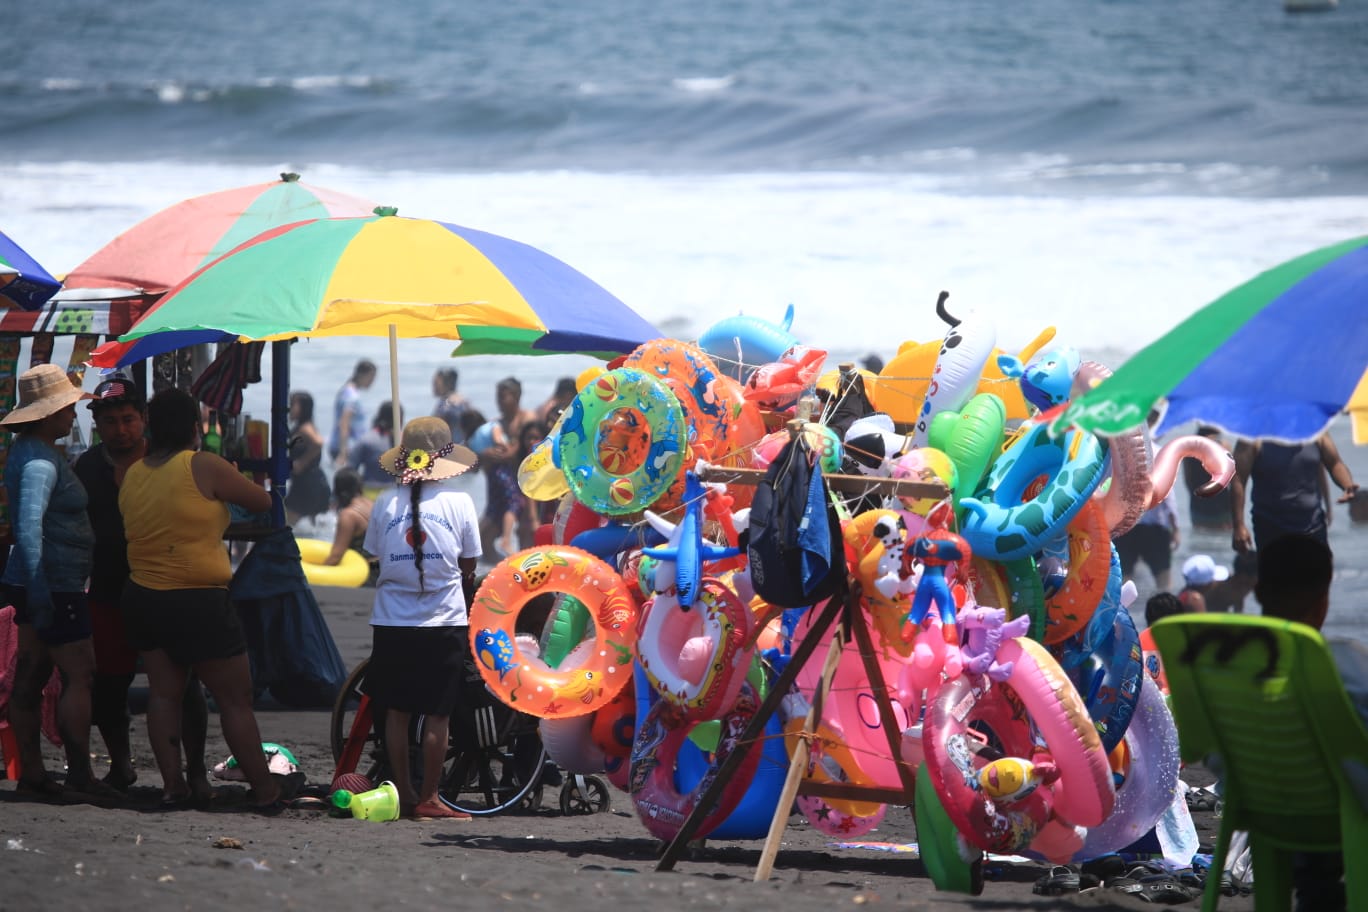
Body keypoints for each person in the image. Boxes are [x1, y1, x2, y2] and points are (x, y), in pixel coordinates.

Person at [118, 388, 296, 810]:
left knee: (164, 695)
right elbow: (264, 501)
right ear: (194, 427)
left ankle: (172, 786)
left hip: (144, 596)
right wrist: (234, 474)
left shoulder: (132, 474)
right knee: (235, 699)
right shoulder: (203, 465)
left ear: (150, 425)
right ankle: (266, 790)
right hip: (198, 601)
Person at [73, 377, 210, 796]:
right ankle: (121, 765)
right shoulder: (87, 467)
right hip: (109, 588)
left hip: (165, 588)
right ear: (96, 423)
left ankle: (197, 770)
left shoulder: (169, 461)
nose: (121, 429)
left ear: (144, 420)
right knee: (110, 685)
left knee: (183, 685)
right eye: (110, 421)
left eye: (129, 419)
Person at [0, 364, 115, 800]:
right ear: (48, 414)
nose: (73, 415)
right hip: (54, 583)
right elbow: (28, 528)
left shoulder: (31, 451)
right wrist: (41, 591)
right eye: (68, 408)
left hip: (42, 582)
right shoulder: (39, 463)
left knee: (32, 673)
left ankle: (34, 774)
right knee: (78, 673)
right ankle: (78, 774)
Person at [363, 416, 482, 821]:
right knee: (438, 713)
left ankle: (405, 791)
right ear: (445, 461)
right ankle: (430, 796)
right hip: (443, 621)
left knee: (395, 711)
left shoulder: (384, 501)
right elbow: (469, 563)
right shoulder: (460, 503)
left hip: (392, 622)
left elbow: (375, 555)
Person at [1255, 533, 1366, 912]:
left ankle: (1317, 889)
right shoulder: (1343, 662)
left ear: (1258, 593)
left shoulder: (1227, 663)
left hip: (1259, 802)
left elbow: (1211, 754)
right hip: (1342, 811)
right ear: (1325, 599)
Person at [1230, 433, 1359, 554]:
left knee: (1316, 577)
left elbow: (1335, 463)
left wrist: (1347, 485)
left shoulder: (1316, 431)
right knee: (1278, 578)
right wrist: (1238, 525)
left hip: (1313, 526)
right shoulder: (1253, 437)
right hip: (1270, 528)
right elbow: (1238, 479)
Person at [477, 377, 535, 559]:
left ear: (517, 396)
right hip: (499, 486)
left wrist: (502, 454)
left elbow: (518, 450)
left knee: (526, 533)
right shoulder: (497, 423)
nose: (499, 402)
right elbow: (480, 453)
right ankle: (500, 568)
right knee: (483, 539)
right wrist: (486, 453)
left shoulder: (527, 419)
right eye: (498, 397)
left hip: (524, 485)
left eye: (503, 397)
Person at [1114, 489, 1180, 591]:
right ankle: (1166, 603)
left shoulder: (1119, 472)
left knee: (1123, 575)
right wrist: (1175, 529)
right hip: (1154, 530)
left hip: (1125, 529)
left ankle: (1124, 603)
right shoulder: (1159, 472)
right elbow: (1169, 502)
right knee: (1163, 577)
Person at [283, 391, 331, 526]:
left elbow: (318, 443)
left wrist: (301, 463)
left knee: (285, 524)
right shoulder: (306, 426)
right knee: (309, 528)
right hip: (313, 482)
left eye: (292, 404)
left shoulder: (305, 428)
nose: (289, 408)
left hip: (306, 485)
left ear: (303, 407)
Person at [325, 467, 376, 585]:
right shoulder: (373, 505)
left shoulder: (348, 516)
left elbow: (336, 556)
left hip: (365, 574)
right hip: (383, 569)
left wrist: (318, 574)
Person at [1184, 425, 1234, 531]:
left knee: (1200, 540)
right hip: (1221, 505)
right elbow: (1232, 478)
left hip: (1198, 504)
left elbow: (1188, 479)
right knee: (1222, 540)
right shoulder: (1223, 446)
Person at [328, 358, 376, 468]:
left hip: (342, 445)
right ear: (362, 375)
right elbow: (344, 423)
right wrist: (343, 453)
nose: (372, 382)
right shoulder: (351, 396)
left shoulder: (346, 391)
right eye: (371, 377)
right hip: (348, 448)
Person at [348, 400, 401, 497]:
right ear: (399, 419)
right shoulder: (404, 443)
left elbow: (350, 469)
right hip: (396, 494)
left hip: (369, 494)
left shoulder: (366, 440)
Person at [1201, 549, 1259, 613]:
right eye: (1257, 575)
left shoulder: (1244, 585)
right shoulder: (1223, 588)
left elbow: (1239, 603)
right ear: (1243, 576)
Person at [431, 368, 470, 443]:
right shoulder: (464, 401)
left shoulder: (446, 405)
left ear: (447, 384)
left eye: (436, 383)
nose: (433, 386)